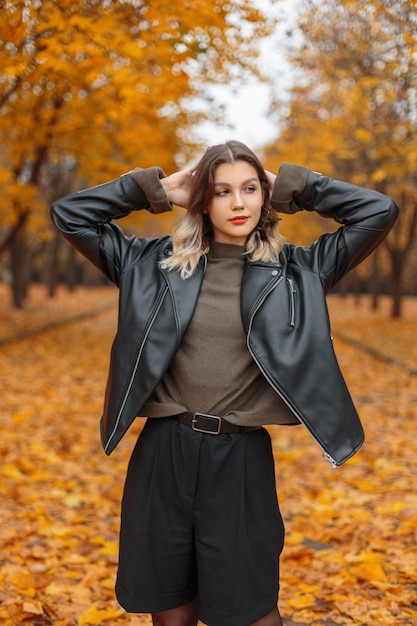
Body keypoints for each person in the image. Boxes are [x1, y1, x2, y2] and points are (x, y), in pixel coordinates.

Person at [51, 140, 398, 626]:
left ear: (265, 196)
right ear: (199, 200)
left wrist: (296, 186)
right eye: (221, 191)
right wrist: (152, 188)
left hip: (239, 459)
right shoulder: (149, 265)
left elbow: (378, 211)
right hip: (163, 453)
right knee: (170, 609)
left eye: (250, 189)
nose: (238, 203)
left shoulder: (301, 271)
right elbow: (69, 215)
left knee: (252, 612)